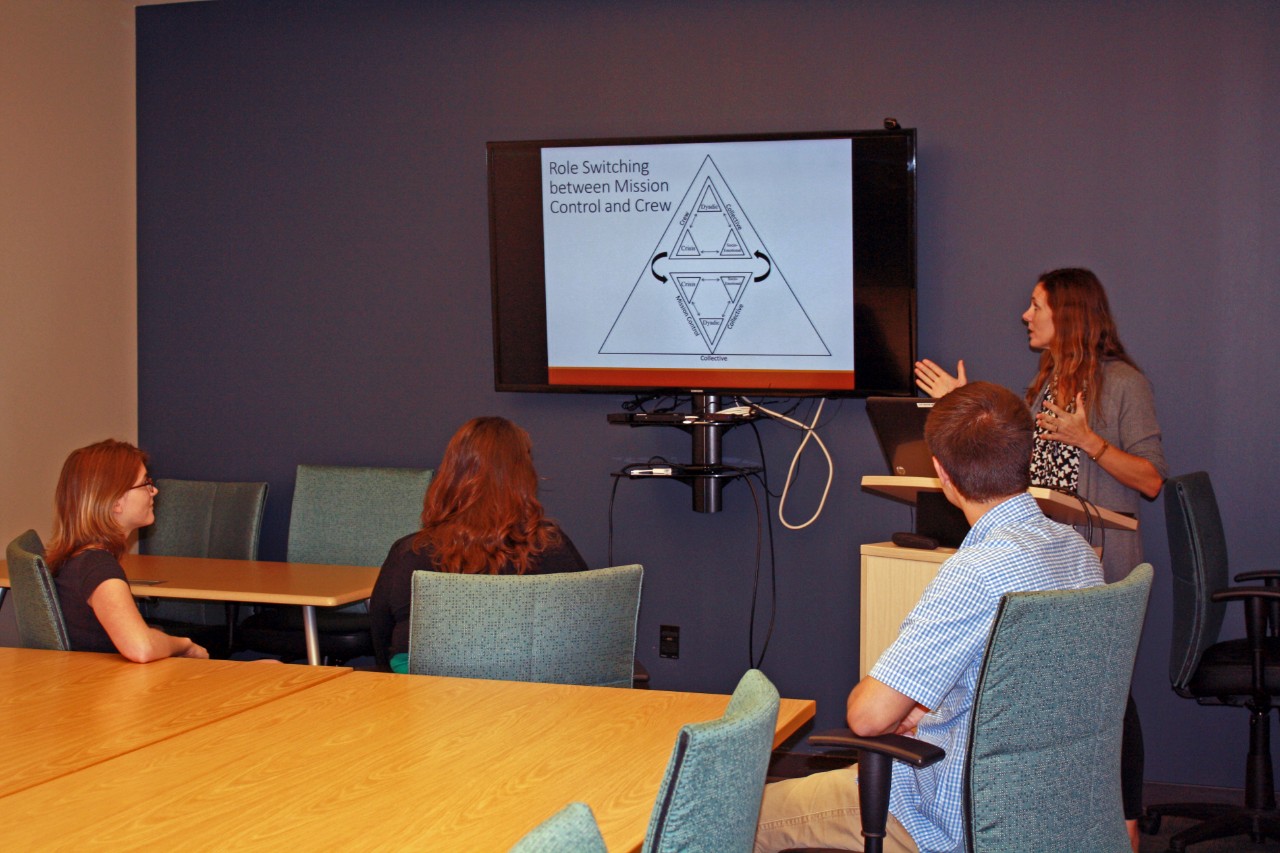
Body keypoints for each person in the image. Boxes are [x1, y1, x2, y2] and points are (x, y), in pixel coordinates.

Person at [755, 382, 1104, 853]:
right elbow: (1032, 693)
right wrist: (930, 711)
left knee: (735, 815)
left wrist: (901, 710)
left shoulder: (975, 572)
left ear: (941, 472)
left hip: (946, 815)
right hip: (1046, 809)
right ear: (1028, 456)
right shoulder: (1077, 553)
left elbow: (867, 717)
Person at [914, 267, 1165, 848]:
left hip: (1099, 564)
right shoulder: (1044, 383)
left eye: (1036, 305)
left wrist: (1089, 440)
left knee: (1109, 700)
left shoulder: (1123, 384)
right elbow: (1013, 465)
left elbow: (1152, 480)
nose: (1025, 315)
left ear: (1068, 314)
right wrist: (965, 409)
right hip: (1045, 559)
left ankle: (1124, 825)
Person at [369, 416, 588, 673]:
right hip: (528, 686)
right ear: (524, 476)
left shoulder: (411, 553)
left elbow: (381, 636)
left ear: (451, 473)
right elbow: (584, 626)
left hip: (425, 688)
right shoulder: (552, 548)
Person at [46, 439, 209, 662]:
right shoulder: (98, 567)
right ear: (115, 502)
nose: (154, 490)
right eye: (145, 483)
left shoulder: (77, 558)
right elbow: (140, 647)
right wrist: (185, 646)